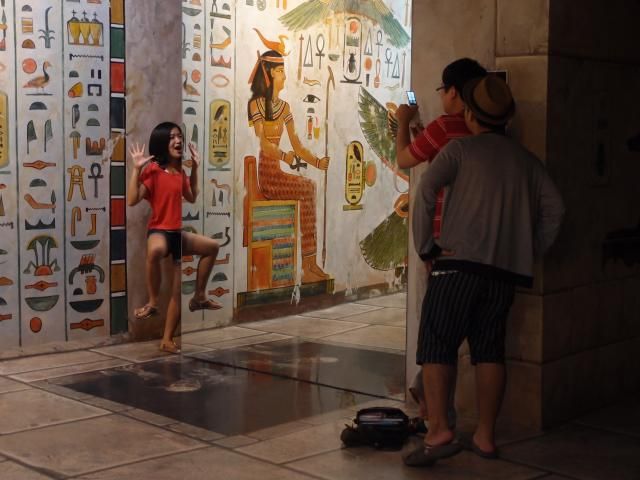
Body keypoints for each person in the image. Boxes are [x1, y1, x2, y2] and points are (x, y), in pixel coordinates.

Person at [404, 75, 564, 466]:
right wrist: (530, 249)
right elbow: (556, 210)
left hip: (457, 266)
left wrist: (426, 246)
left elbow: (425, 191)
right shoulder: (527, 161)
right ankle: (486, 436)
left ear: (471, 115)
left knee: (437, 343)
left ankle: (439, 430)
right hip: (504, 273)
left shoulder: (460, 150)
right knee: (490, 349)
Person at [395, 58, 487, 427]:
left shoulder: (445, 126)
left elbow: (405, 160)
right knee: (474, 335)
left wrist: (402, 122)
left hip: (441, 242)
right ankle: (434, 402)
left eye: (442, 90)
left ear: (452, 92)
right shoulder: (486, 132)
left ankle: (434, 413)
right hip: (479, 242)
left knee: (435, 331)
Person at [127, 122, 222, 354]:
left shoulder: (180, 173)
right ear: (162, 142)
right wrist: (136, 169)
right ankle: (152, 302)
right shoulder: (152, 170)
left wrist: (196, 168)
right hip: (159, 231)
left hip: (177, 233)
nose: (178, 141)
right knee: (155, 250)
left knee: (212, 247)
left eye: (179, 136)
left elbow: (192, 196)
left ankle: (190, 309)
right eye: (172, 137)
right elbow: (132, 200)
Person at [247, 50, 330, 283]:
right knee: (307, 188)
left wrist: (317, 162)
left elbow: (297, 144)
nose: (284, 76)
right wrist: (284, 156)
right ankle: (308, 265)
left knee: (309, 187)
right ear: (269, 74)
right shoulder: (256, 105)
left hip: (279, 170)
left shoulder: (284, 108)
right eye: (280, 71)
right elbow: (264, 143)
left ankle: (310, 264)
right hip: (268, 175)